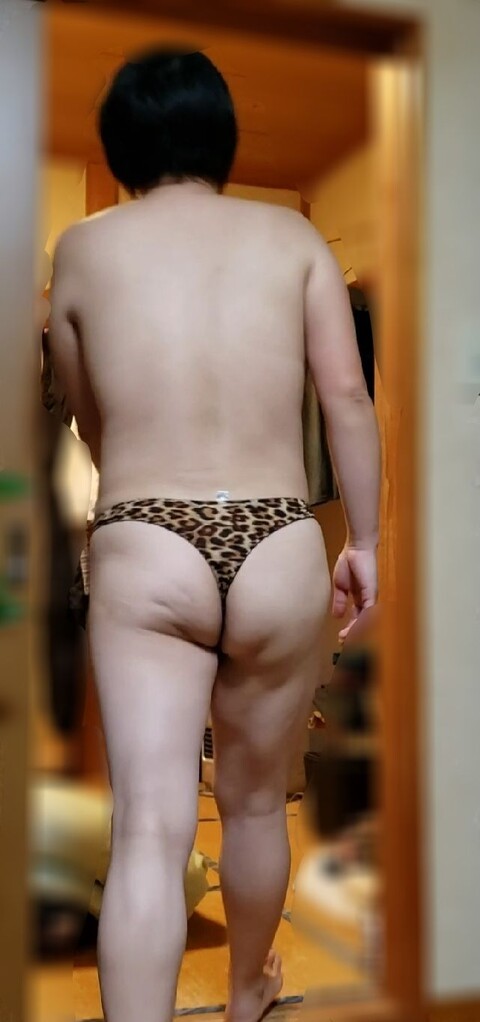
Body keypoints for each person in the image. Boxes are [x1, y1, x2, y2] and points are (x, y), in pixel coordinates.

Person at [49, 48, 380, 1022]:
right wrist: (365, 541)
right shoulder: (294, 238)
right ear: (221, 136)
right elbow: (347, 397)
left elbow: (90, 414)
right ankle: (245, 996)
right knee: (254, 803)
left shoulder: (84, 247)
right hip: (277, 532)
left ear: (120, 144)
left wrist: (136, 493)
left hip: (148, 530)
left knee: (150, 831)